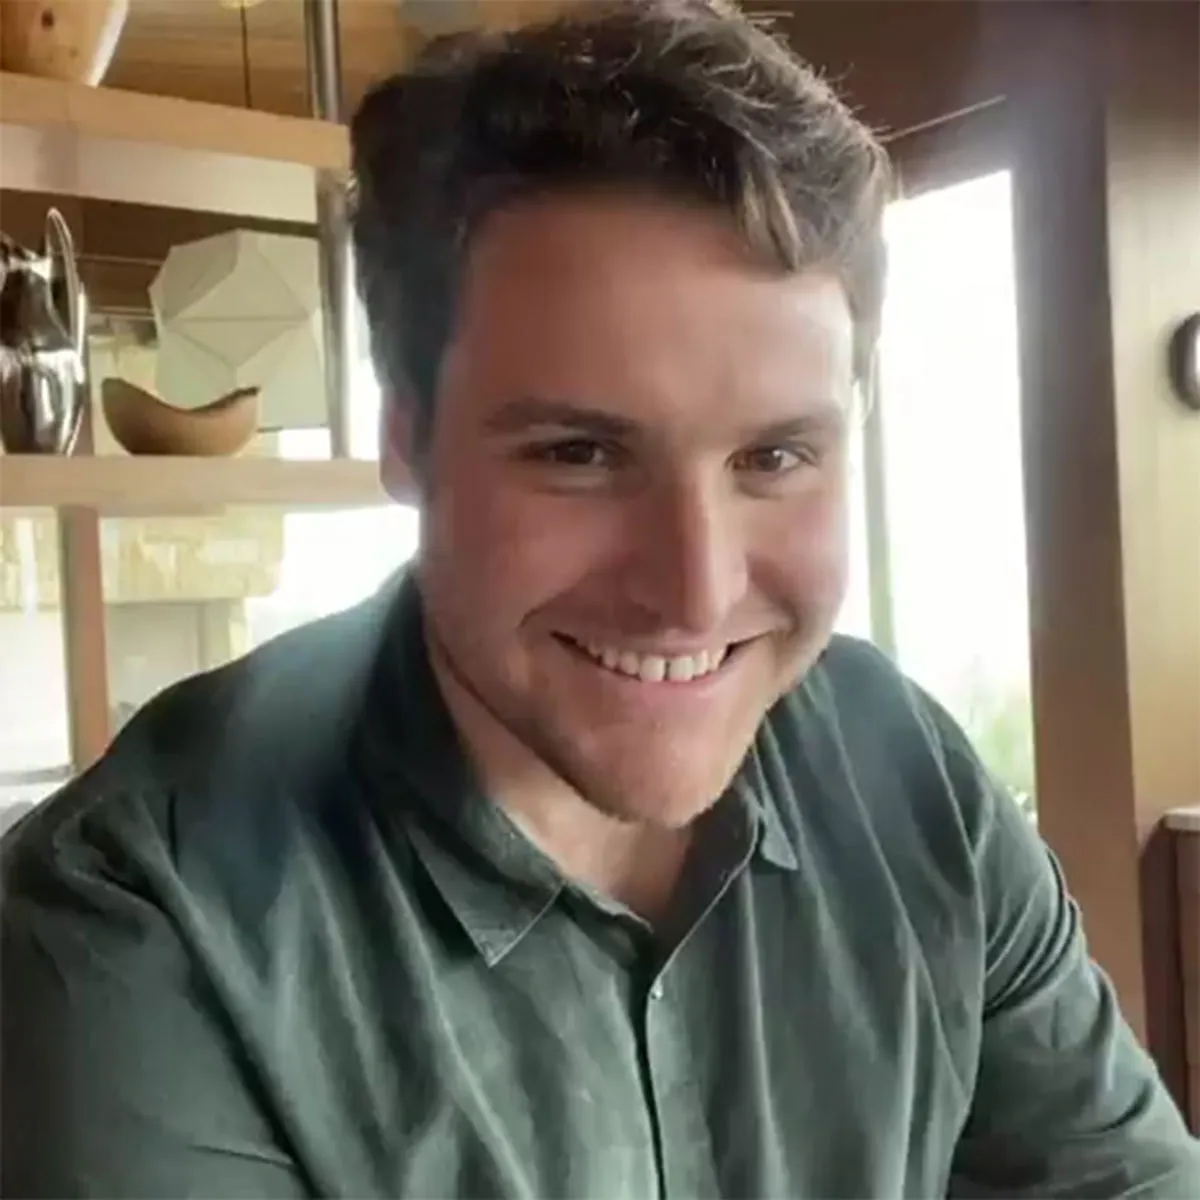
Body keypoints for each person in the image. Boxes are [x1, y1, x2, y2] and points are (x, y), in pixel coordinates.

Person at [3, 1, 1199, 1195]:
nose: (696, 590)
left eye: (775, 456)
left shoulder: (911, 778)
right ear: (407, 437)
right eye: (580, 454)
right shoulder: (136, 920)